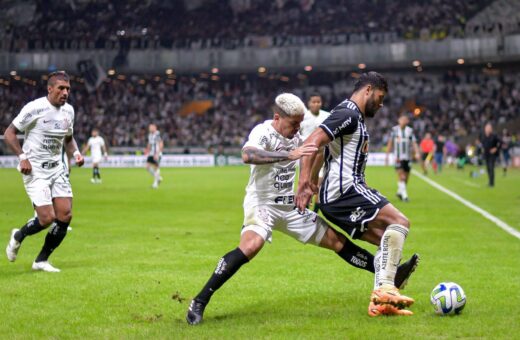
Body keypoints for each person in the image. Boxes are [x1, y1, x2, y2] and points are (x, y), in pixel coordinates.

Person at [186, 93, 418, 325]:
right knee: (251, 245)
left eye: (300, 124)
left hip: (290, 206)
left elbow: (315, 150)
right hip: (262, 204)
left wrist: (307, 183)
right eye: (294, 124)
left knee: (337, 241)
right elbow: (248, 155)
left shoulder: (297, 136)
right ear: (277, 118)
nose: (298, 129)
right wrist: (288, 154)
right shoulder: (263, 131)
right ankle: (199, 301)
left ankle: (389, 275)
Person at [296, 72, 417, 316]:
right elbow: (313, 142)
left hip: (338, 195)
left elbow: (322, 151)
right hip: (345, 192)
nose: (381, 104)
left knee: (388, 239)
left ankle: (381, 302)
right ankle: (386, 288)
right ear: (368, 90)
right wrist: (304, 183)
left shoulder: (354, 117)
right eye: (380, 98)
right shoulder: (348, 113)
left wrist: (313, 181)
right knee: (400, 222)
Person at [4, 71, 84, 272]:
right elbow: (9, 133)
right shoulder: (35, 108)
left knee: (65, 215)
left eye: (67, 89)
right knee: (47, 218)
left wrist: (76, 154)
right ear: (50, 89)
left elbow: (68, 139)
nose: (65, 93)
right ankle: (18, 236)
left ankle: (41, 260)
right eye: (61, 88)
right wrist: (23, 157)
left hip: (57, 169)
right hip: (35, 170)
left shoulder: (69, 111)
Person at [299, 93, 330, 212]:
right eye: (314, 102)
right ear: (309, 103)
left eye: (318, 102)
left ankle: (315, 211)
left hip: (322, 154)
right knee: (306, 181)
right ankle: (305, 207)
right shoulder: (303, 117)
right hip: (306, 156)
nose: (316, 104)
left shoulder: (327, 116)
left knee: (319, 183)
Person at [385, 115, 420, 202]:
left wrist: (417, 153)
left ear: (407, 121)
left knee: (406, 177)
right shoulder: (394, 130)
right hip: (398, 157)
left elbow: (414, 143)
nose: (403, 121)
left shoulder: (410, 130)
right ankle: (405, 196)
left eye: (405, 120)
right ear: (398, 120)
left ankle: (400, 192)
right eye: (402, 120)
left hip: (407, 157)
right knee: (402, 176)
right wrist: (387, 156)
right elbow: (390, 143)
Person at [479, 123, 501, 187]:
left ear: (491, 129)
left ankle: (492, 183)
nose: (487, 129)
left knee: (491, 167)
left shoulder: (494, 135)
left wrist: (496, 148)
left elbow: (500, 142)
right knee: (488, 168)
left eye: (489, 128)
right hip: (486, 154)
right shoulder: (483, 135)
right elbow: (482, 143)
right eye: (486, 128)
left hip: (492, 154)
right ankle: (490, 182)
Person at [145, 123, 163, 188]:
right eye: (149, 127)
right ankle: (159, 177)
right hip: (151, 153)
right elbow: (149, 143)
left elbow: (161, 143)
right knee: (147, 167)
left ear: (155, 128)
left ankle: (155, 184)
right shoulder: (150, 135)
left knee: (156, 167)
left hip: (156, 153)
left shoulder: (157, 134)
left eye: (151, 127)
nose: (149, 128)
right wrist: (147, 150)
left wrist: (157, 153)